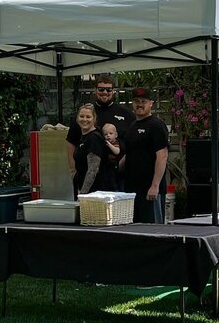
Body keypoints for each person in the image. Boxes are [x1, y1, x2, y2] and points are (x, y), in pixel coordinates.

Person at [66, 74, 135, 182]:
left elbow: (133, 143)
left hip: (117, 174)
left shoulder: (126, 114)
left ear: (113, 91)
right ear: (95, 90)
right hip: (88, 173)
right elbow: (71, 142)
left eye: (108, 90)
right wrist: (73, 169)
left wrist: (123, 163)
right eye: (101, 89)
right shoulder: (86, 114)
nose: (105, 92)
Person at [121, 87, 169, 224]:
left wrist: (155, 186)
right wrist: (115, 167)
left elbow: (162, 156)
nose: (140, 104)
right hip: (132, 189)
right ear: (132, 103)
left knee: (153, 230)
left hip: (150, 190)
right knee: (135, 229)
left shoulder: (156, 125)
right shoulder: (132, 126)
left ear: (151, 104)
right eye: (136, 101)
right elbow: (129, 153)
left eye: (143, 101)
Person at [72, 103, 112, 199]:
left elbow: (93, 170)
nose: (84, 119)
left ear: (94, 119)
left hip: (94, 194)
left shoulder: (94, 139)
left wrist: (82, 195)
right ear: (77, 118)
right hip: (84, 191)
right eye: (81, 116)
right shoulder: (84, 138)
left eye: (88, 117)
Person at [102, 123, 124, 191]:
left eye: (111, 133)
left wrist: (109, 145)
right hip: (108, 168)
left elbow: (117, 151)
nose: (108, 136)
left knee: (117, 184)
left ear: (116, 135)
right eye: (106, 134)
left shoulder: (116, 142)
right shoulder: (104, 143)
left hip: (116, 167)